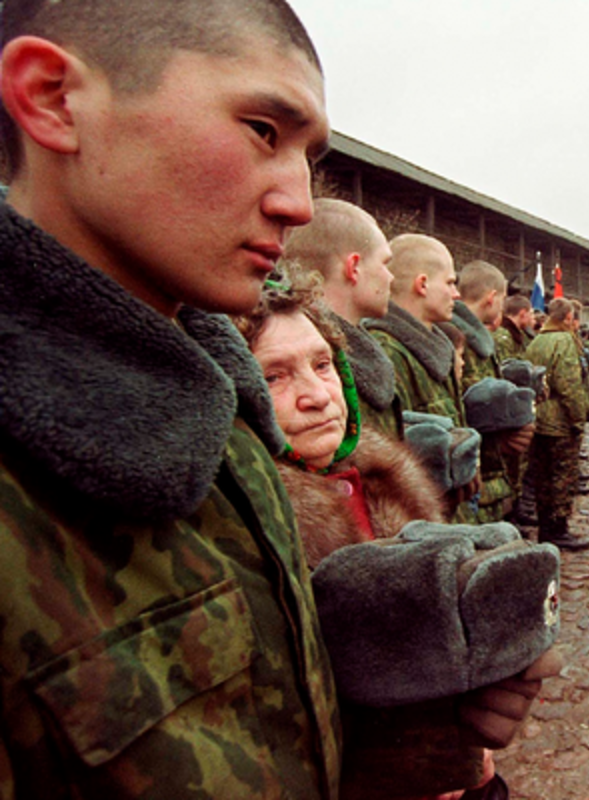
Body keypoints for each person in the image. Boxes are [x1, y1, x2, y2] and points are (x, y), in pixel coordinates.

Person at [0, 0, 342, 795]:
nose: (299, 203)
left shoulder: (220, 412)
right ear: (54, 98)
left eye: (309, 158)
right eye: (262, 129)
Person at [235, 271, 553, 799]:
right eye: (273, 376)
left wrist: (479, 691)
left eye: (322, 365)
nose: (317, 394)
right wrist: (408, 756)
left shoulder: (382, 480)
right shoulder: (247, 530)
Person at [366, 234, 480, 521]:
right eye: (451, 283)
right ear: (422, 284)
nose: (457, 295)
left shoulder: (434, 347)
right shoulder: (388, 352)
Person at [282, 197, 405, 436]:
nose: (390, 278)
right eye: (384, 263)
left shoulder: (353, 353)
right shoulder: (315, 364)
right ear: (354, 267)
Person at [449, 260, 534, 523]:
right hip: (472, 483)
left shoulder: (477, 339)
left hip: (487, 476)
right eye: (502, 298)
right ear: (492, 298)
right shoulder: (455, 338)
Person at [524, 297, 589, 551]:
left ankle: (545, 527)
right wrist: (579, 417)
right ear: (567, 318)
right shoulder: (564, 340)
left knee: (542, 476)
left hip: (539, 415)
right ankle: (558, 529)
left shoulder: (537, 340)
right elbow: (569, 385)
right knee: (563, 477)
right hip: (559, 420)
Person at [494, 294, 535, 361]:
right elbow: (505, 367)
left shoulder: (520, 334)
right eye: (530, 313)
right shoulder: (503, 337)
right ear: (523, 314)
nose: (532, 317)